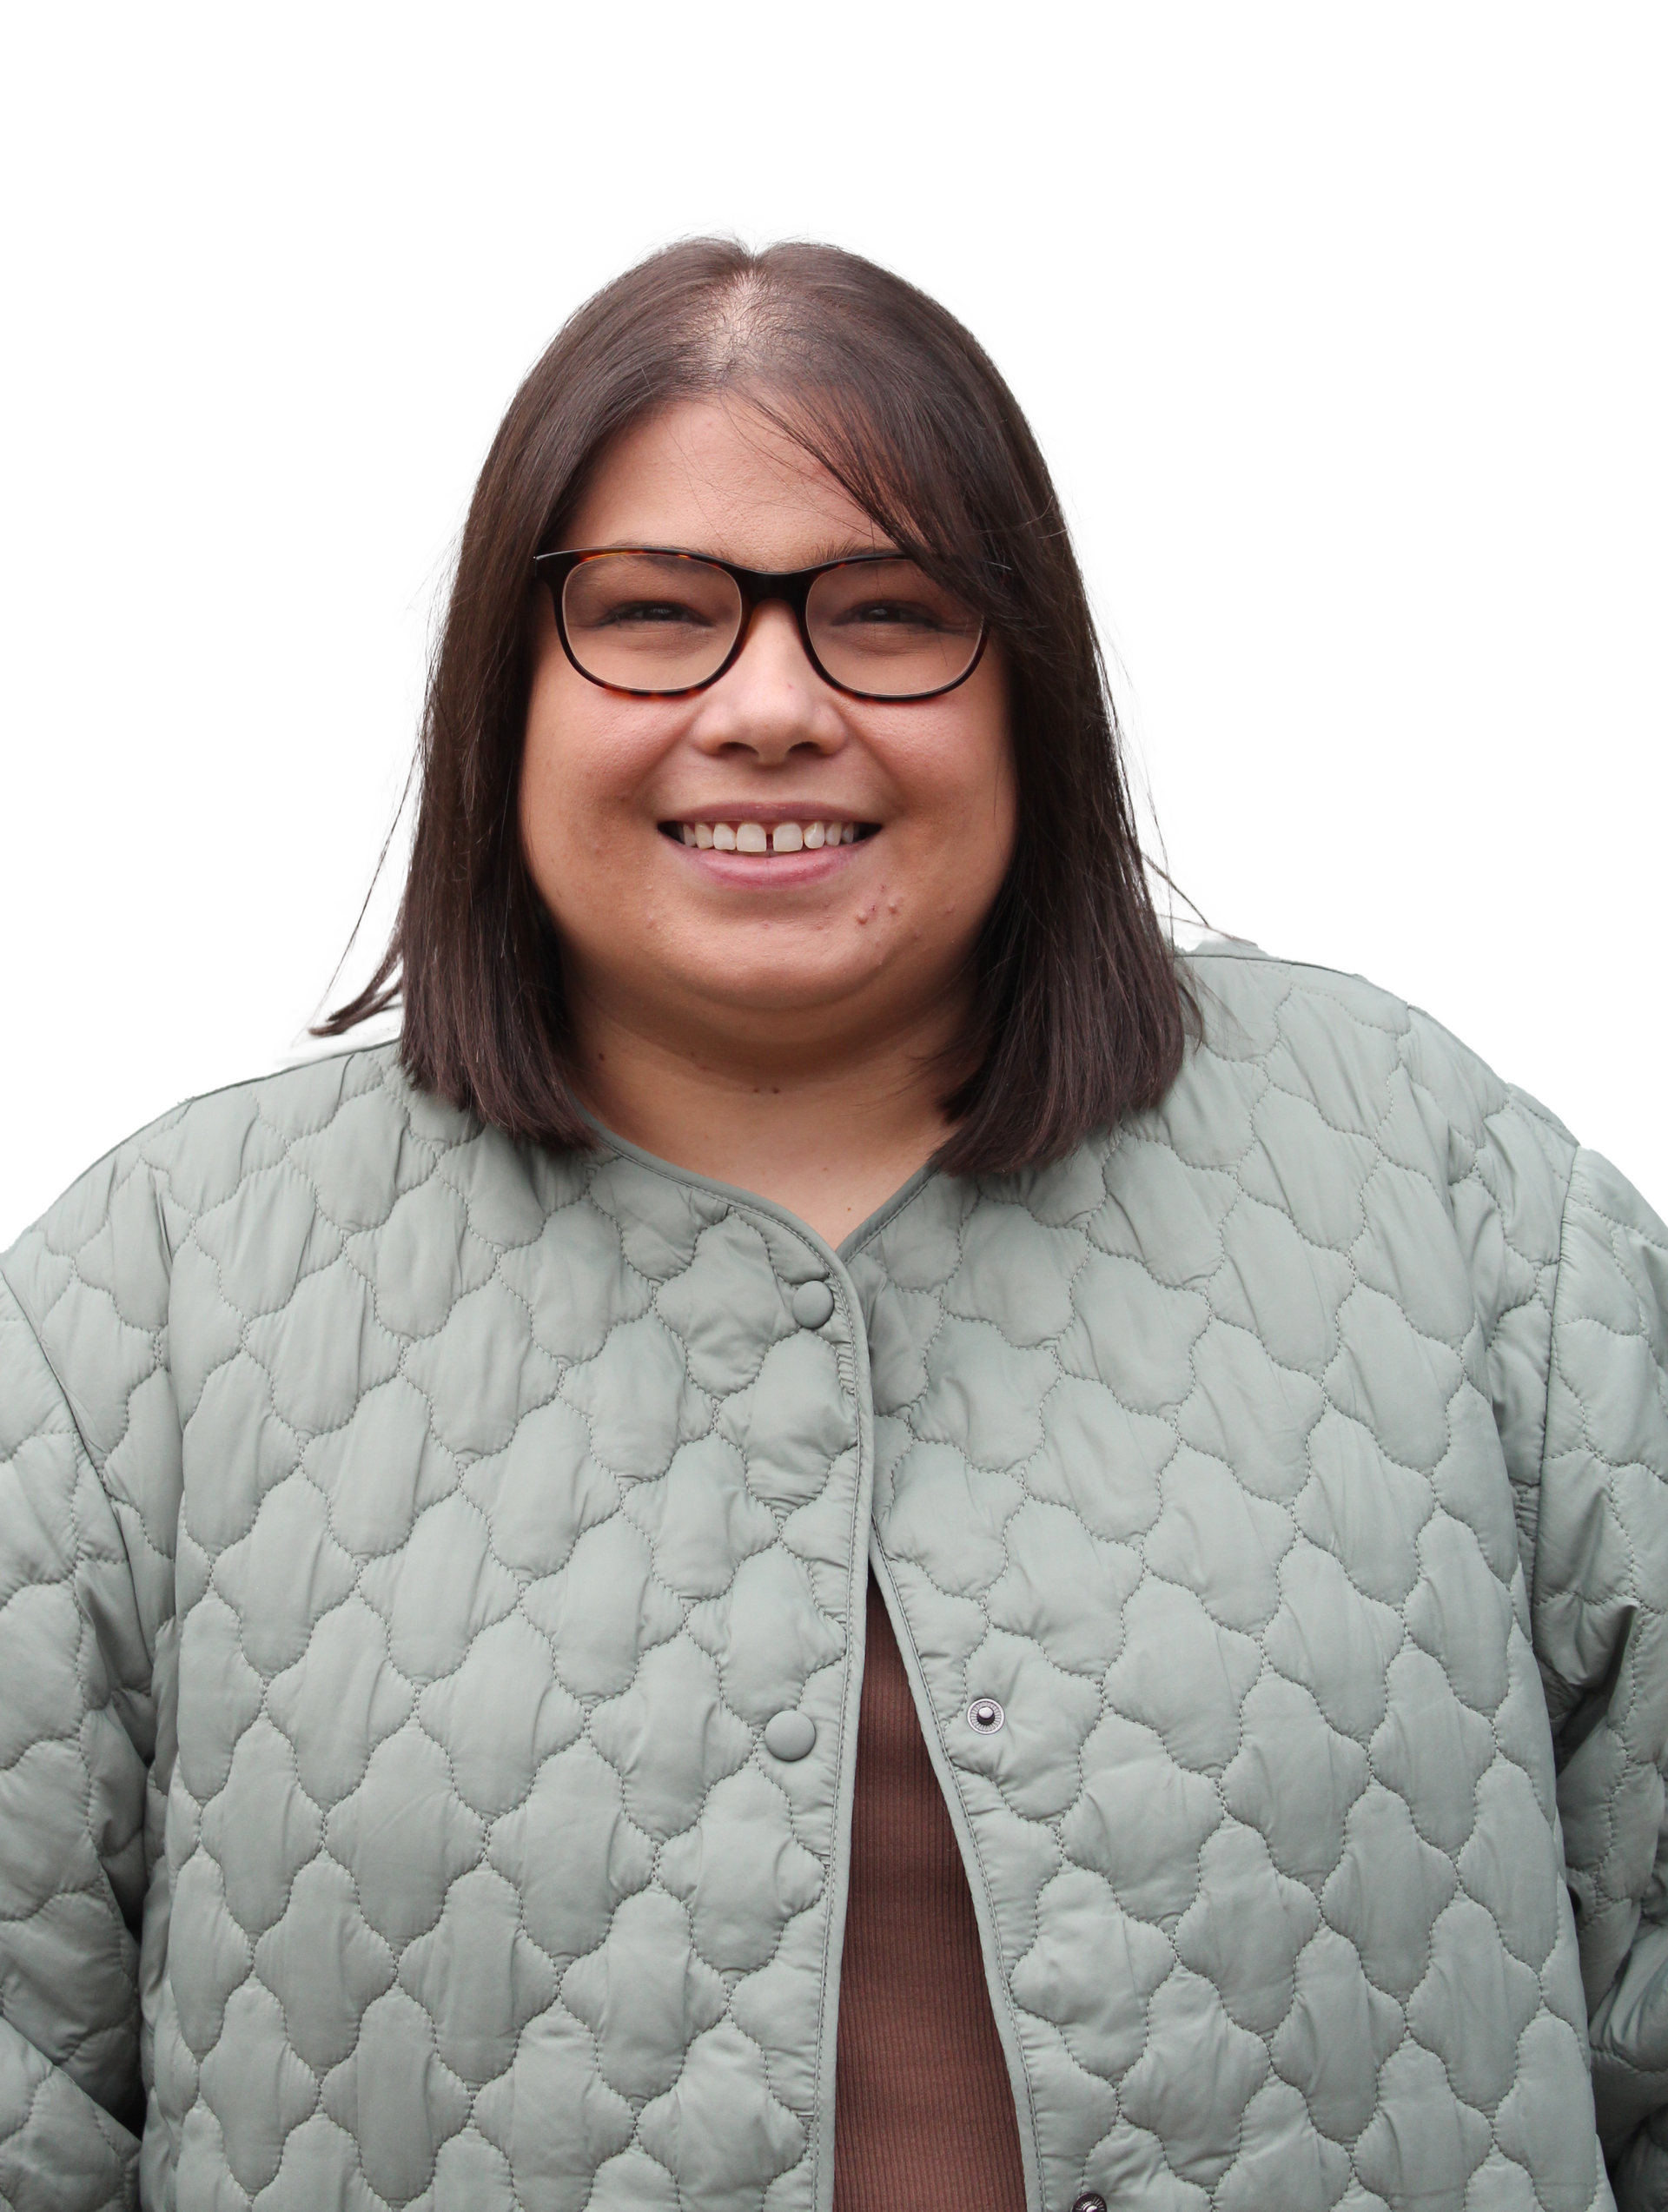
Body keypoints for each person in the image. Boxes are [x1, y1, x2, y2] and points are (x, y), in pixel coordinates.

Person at [1, 237, 1664, 2212]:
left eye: (888, 614)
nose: (773, 705)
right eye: (653, 613)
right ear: (502, 694)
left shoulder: (1432, 1184)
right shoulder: (154, 1298)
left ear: (1031, 692)